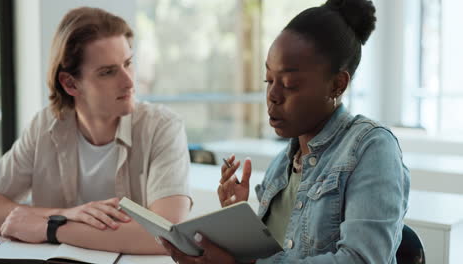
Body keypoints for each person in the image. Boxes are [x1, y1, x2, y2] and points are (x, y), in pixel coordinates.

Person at [161, 0, 410, 263]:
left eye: (290, 84)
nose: (273, 96)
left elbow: (362, 259)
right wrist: (237, 225)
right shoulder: (282, 165)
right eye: (269, 80)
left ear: (337, 85)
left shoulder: (372, 148)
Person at [0, 7, 192, 254]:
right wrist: (64, 215)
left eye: (128, 63)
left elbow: (169, 234)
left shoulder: (162, 127)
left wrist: (51, 228)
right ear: (70, 83)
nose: (129, 81)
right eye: (108, 72)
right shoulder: (44, 126)